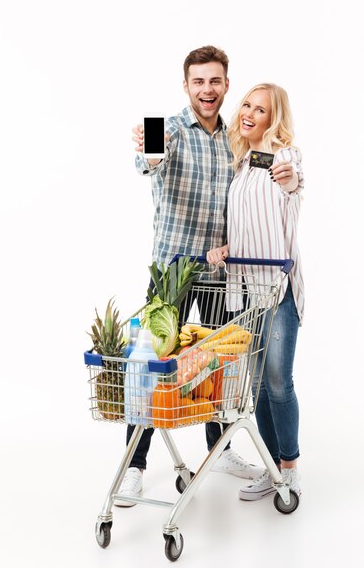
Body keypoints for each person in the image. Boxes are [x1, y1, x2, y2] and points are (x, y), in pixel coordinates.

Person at [118, 46, 262, 506]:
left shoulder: (232, 140)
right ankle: (133, 468)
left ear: (226, 85)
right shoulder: (171, 129)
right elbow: (149, 161)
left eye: (215, 81)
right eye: (198, 81)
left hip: (219, 274)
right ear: (186, 86)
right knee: (151, 371)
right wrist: (149, 151)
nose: (207, 89)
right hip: (173, 272)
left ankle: (218, 450)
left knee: (215, 367)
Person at [207, 83, 304, 500]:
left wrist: (293, 180)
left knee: (279, 382)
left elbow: (293, 184)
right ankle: (270, 466)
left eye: (260, 109)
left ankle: (290, 467)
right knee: (257, 386)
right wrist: (229, 248)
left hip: (278, 289)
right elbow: (246, 224)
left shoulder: (283, 157)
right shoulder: (243, 164)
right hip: (246, 292)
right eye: (246, 104)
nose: (248, 113)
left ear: (273, 118)